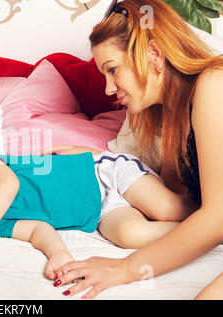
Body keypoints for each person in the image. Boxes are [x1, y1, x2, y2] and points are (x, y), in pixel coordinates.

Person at [43, 0, 223, 299]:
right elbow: (175, 206)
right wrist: (101, 161)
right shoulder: (172, 117)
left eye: (113, 70)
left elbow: (216, 218)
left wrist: (125, 270)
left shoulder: (214, 84)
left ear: (153, 53)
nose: (108, 89)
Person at [0, 151, 194, 279]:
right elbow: (38, 230)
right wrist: (58, 254)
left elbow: (9, 183)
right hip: (102, 212)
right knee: (132, 236)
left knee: (168, 207)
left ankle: (211, 209)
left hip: (102, 172)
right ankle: (207, 230)